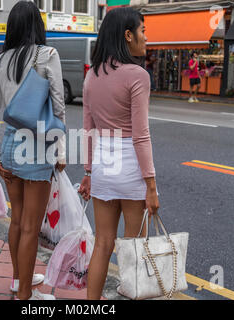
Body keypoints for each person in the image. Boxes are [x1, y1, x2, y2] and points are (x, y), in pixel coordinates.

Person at [78, 7, 159, 300]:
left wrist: (88, 173)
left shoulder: (92, 76)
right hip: (130, 166)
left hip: (102, 163)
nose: (146, 38)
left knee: (103, 244)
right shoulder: (137, 75)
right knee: (133, 247)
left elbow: (88, 130)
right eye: (142, 30)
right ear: (128, 35)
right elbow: (141, 135)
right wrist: (151, 185)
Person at [0, 1, 66, 300]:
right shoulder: (48, 55)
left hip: (9, 146)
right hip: (37, 148)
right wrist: (60, 150)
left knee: (17, 220)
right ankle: (25, 298)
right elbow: (58, 104)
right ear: (37, 25)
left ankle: (19, 279)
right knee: (32, 226)